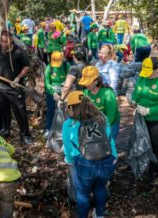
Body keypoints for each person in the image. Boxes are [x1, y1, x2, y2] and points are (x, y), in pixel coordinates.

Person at [62, 90, 117, 218]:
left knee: (82, 194)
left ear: (71, 107)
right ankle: (100, 214)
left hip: (84, 164)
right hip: (106, 160)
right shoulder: (102, 117)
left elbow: (68, 147)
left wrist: (70, 162)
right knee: (100, 187)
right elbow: (110, 138)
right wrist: (114, 156)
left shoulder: (69, 124)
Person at [132, 57, 158, 181]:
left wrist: (149, 110)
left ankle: (155, 170)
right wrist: (134, 101)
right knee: (143, 142)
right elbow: (136, 92)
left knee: (155, 145)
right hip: (143, 118)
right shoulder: (142, 78)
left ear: (157, 69)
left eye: (149, 71)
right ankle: (144, 165)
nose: (147, 75)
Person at [78, 66, 120, 140]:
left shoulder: (107, 93)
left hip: (110, 123)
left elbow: (111, 115)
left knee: (108, 144)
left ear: (96, 81)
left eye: (88, 82)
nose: (86, 85)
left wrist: (102, 128)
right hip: (94, 123)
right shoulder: (85, 93)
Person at [44, 52, 70, 138]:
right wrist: (53, 92)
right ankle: (48, 129)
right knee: (50, 110)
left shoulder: (67, 66)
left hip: (64, 93)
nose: (57, 65)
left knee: (64, 111)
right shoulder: (49, 67)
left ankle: (63, 130)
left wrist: (63, 93)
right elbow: (47, 83)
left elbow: (70, 81)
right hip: (51, 93)